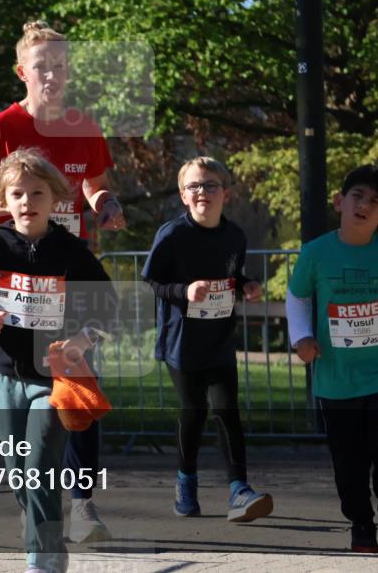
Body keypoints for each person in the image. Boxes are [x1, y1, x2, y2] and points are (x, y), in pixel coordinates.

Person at [0, 20, 123, 542]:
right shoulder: (2, 126)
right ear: (22, 71)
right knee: (17, 403)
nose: (51, 75)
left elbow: (94, 186)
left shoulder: (84, 124)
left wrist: (105, 203)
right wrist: (17, 208)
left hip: (68, 269)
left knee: (76, 387)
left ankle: (81, 504)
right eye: (41, 66)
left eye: (60, 66)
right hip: (17, 274)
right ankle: (34, 500)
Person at [0, 148, 114, 573]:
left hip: (53, 378)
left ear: (55, 199)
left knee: (41, 465)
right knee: (19, 473)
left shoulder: (71, 251)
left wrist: (83, 338)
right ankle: (40, 525)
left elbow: (107, 304)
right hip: (4, 378)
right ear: (5, 201)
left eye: (37, 193)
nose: (27, 202)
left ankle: (43, 561)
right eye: (18, 194)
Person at [286, 165, 378, 553]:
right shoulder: (315, 253)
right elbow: (298, 297)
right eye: (357, 196)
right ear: (340, 202)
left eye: (375, 201)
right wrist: (300, 337)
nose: (364, 205)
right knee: (348, 457)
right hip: (337, 376)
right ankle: (360, 521)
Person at [141, 156, 274, 522]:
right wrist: (185, 291)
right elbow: (151, 281)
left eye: (211, 185)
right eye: (194, 186)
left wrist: (245, 284)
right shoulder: (172, 235)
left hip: (218, 339)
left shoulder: (235, 236)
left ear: (225, 194)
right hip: (181, 343)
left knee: (227, 411)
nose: (203, 192)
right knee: (194, 412)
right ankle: (186, 481)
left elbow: (233, 273)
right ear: (183, 196)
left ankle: (239, 490)